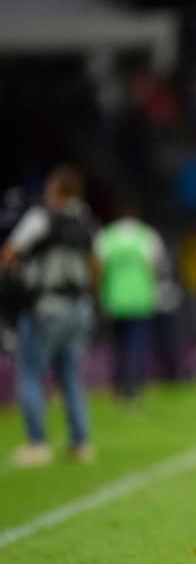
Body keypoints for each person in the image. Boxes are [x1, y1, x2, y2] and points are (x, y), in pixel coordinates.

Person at [0, 164, 98, 466]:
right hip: (78, 307)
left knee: (29, 373)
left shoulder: (42, 216)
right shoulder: (86, 220)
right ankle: (81, 444)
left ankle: (37, 443)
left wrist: (17, 277)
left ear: (55, 188)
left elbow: (9, 252)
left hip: (45, 307)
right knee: (70, 376)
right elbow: (97, 264)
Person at [95, 204, 166, 401]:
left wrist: (99, 292)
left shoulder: (106, 236)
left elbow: (98, 268)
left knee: (118, 345)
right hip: (140, 298)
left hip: (114, 298)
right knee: (138, 345)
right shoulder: (147, 236)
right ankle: (136, 388)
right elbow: (154, 267)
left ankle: (119, 387)